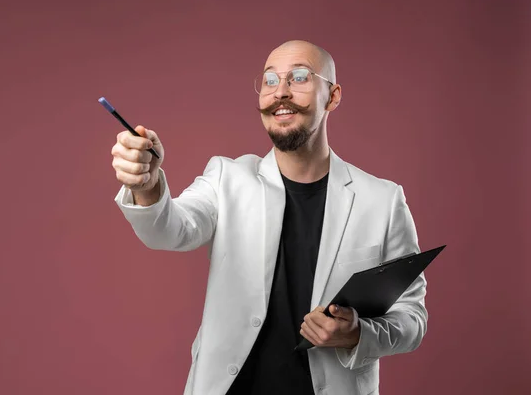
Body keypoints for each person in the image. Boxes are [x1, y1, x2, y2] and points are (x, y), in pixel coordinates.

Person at [110, 40, 427, 395]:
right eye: (270, 81)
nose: (281, 93)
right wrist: (148, 185)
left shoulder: (383, 200)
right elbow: (169, 230)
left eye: (300, 77)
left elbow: (412, 318)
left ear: (333, 96)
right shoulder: (226, 177)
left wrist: (357, 334)